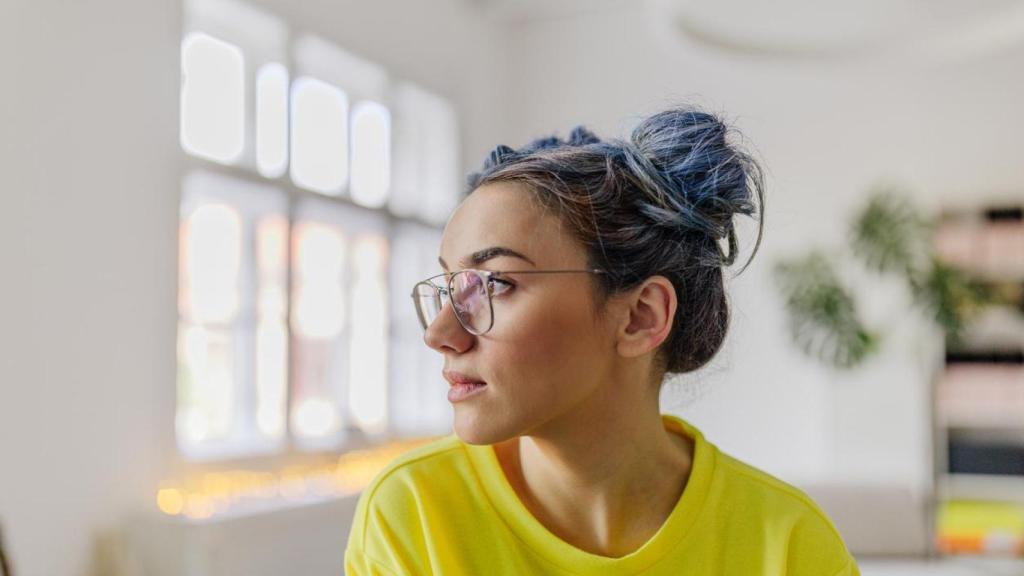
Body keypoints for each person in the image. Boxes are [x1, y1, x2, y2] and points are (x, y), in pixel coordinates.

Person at [345, 107, 859, 575]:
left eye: (496, 283)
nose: (439, 335)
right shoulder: (415, 513)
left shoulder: (789, 547)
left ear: (640, 316)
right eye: (450, 286)